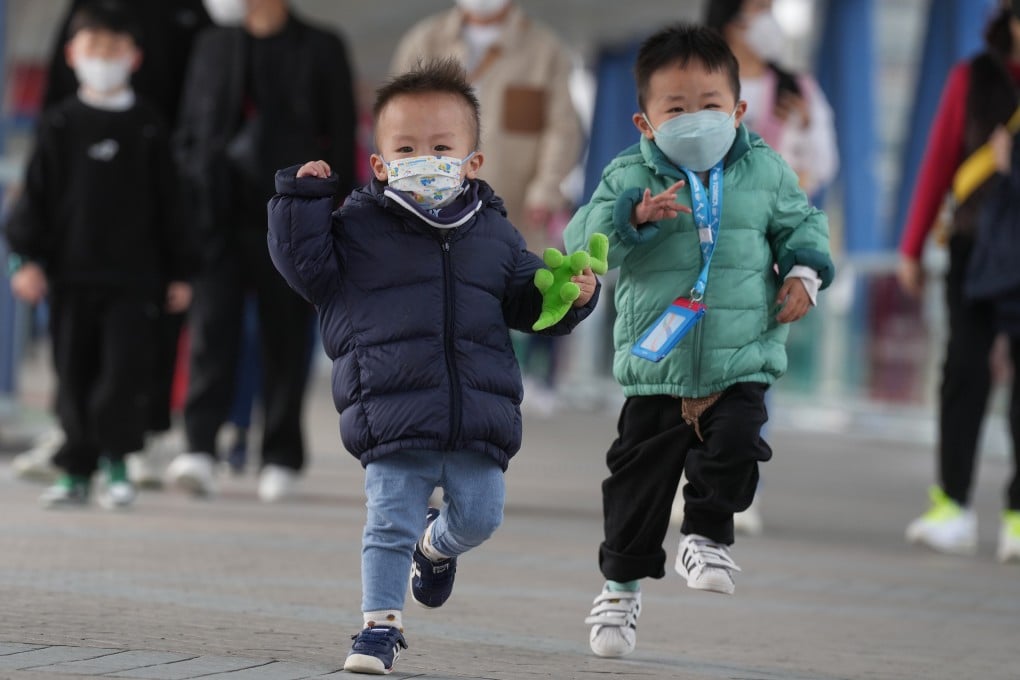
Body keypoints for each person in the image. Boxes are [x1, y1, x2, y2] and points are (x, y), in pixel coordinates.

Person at [267, 59, 599, 674]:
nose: (425, 159)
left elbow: (530, 301)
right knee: (387, 524)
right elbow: (303, 265)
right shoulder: (356, 227)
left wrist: (572, 296)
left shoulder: (495, 235)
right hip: (391, 410)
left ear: (473, 161)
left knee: (481, 516)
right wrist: (301, 197)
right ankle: (379, 628)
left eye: (442, 148)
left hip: (477, 414)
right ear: (380, 163)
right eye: (407, 148)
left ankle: (436, 547)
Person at [565, 23, 833, 658]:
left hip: (740, 355)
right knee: (635, 489)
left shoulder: (766, 169)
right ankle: (620, 589)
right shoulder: (628, 174)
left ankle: (706, 535)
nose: (696, 119)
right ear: (645, 121)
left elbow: (804, 225)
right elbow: (583, 241)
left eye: (710, 104)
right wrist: (631, 216)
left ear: (738, 109)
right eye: (676, 109)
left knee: (739, 442)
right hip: (656, 364)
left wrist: (804, 273)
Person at [9, 0, 211, 488]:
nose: (104, 58)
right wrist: (25, 259)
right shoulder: (59, 125)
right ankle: (76, 468)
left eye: (114, 48)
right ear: (72, 54)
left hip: (135, 281)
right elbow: (34, 200)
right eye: (94, 47)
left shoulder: (150, 127)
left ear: (134, 56)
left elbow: (171, 206)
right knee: (72, 373)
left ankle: (120, 458)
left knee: (123, 373)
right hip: (70, 276)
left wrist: (181, 270)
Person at [165, 0, 357, 502]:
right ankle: (199, 448)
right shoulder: (212, 45)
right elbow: (189, 126)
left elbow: (341, 134)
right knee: (211, 331)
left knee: (286, 340)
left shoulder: (322, 46)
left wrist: (332, 214)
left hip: (292, 221)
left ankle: (280, 455)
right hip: (218, 217)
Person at [391, 0, 583, 413]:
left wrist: (546, 189)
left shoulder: (544, 50)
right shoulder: (425, 40)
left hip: (514, 204)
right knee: (438, 285)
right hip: (432, 199)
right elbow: (395, 117)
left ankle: (517, 377)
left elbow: (562, 128)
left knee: (515, 285)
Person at [898, 1, 1020, 563]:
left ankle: (1017, 515)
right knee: (964, 372)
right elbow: (939, 160)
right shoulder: (971, 77)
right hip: (973, 248)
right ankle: (953, 506)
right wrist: (912, 246)